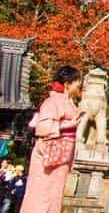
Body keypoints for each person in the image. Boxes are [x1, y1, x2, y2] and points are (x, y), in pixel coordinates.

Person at [24, 65, 83, 213]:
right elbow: (43, 127)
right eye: (77, 83)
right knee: (43, 192)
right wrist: (68, 124)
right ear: (68, 84)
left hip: (61, 153)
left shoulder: (68, 102)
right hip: (50, 153)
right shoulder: (52, 102)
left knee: (55, 193)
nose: (79, 86)